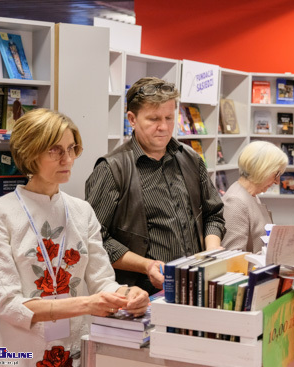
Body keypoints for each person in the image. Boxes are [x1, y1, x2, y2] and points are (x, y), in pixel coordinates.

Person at [0, 108, 149, 366]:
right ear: (29, 152)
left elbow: (102, 281)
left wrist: (128, 294)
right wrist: (87, 304)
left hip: (75, 350)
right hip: (18, 354)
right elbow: (10, 305)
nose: (67, 159)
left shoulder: (82, 211)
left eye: (72, 149)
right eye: (55, 150)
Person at [85, 77, 225, 295]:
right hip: (140, 294)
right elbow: (94, 239)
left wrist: (213, 250)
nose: (164, 127)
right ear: (132, 119)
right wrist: (145, 265)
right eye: (153, 119)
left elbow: (213, 214)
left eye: (169, 118)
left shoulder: (190, 158)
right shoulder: (112, 169)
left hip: (194, 287)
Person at [221, 141, 288, 253]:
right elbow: (233, 257)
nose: (277, 182)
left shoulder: (251, 195)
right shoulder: (235, 202)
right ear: (262, 170)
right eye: (276, 174)